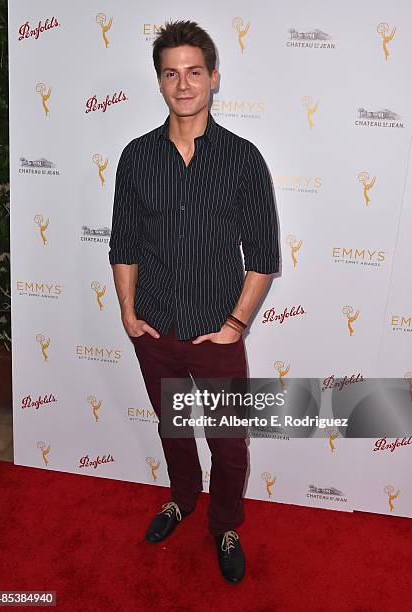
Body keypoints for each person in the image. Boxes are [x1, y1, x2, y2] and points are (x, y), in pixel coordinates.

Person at [109, 20, 280, 583]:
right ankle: (182, 498)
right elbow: (124, 243)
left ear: (213, 78)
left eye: (194, 72)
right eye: (171, 73)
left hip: (215, 332)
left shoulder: (242, 158)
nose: (183, 84)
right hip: (155, 330)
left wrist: (234, 325)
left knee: (229, 445)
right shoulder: (136, 158)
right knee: (173, 428)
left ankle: (224, 523)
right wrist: (129, 313)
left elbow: (263, 254)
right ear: (159, 82)